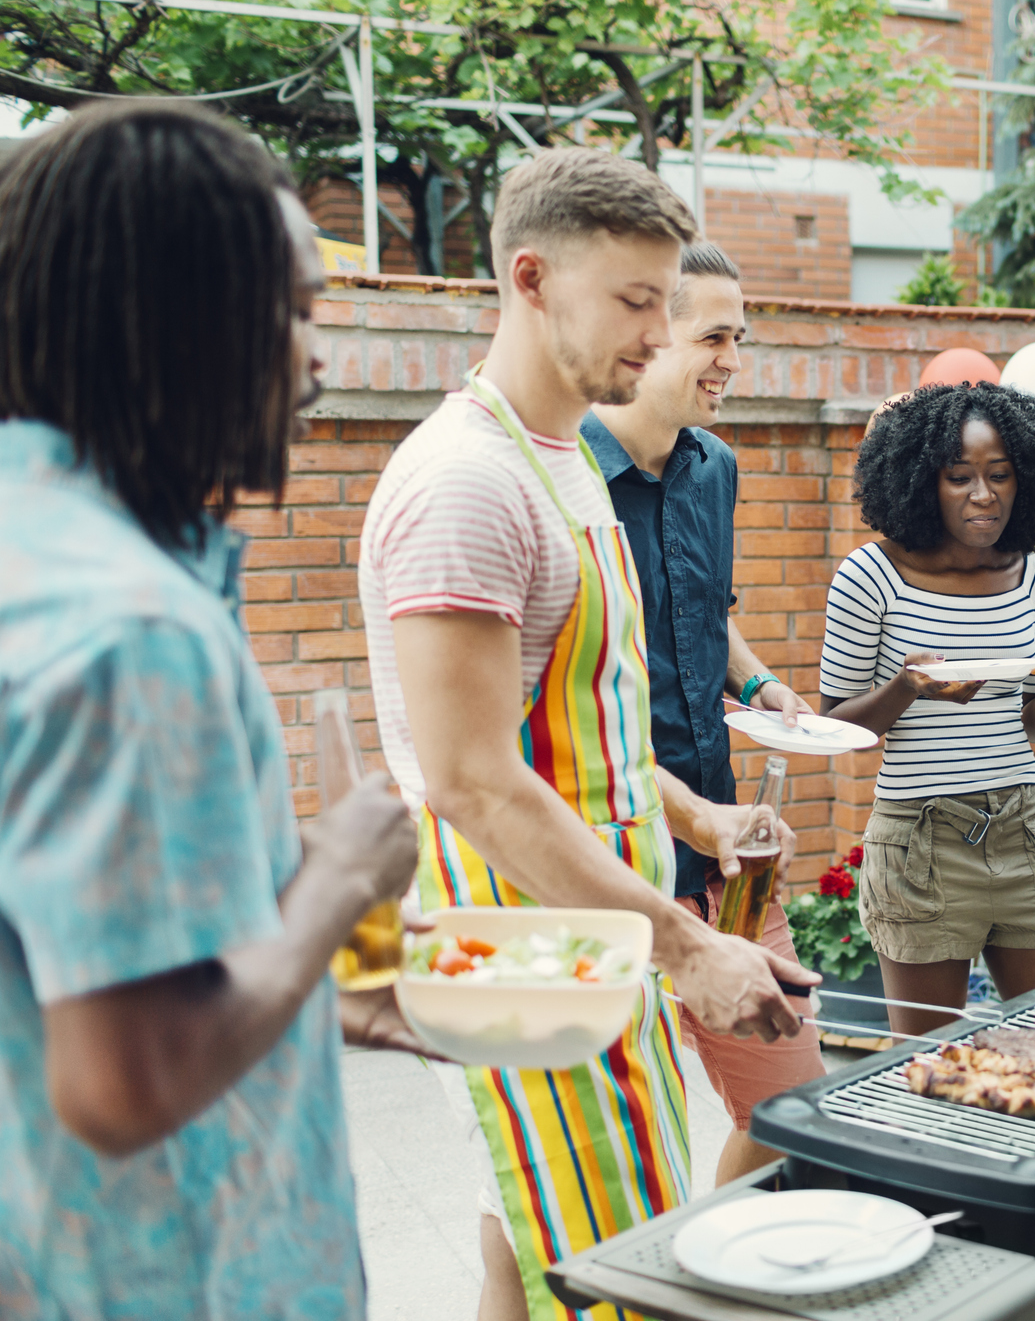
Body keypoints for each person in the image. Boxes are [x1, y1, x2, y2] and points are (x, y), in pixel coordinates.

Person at [358, 147, 818, 1321]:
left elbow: (594, 736)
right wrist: (682, 946)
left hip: (593, 926)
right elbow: (471, 779)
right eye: (635, 301)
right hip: (528, 942)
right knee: (625, 1276)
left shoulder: (558, 459)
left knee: (536, 1228)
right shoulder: (467, 480)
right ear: (530, 279)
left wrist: (692, 833)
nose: (662, 335)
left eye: (669, 302)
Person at [0, 101, 423, 1316]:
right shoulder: (131, 627)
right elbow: (128, 1078)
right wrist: (337, 878)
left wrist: (313, 995)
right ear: (178, 317)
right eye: (295, 311)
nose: (319, 357)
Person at [581, 238, 826, 1186]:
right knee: (614, 1160)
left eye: (742, 335)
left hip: (732, 863)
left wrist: (760, 685)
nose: (733, 359)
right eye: (713, 336)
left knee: (796, 1110)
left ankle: (703, 1269)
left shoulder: (715, 466)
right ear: (648, 336)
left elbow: (707, 612)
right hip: (614, 864)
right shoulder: (566, 484)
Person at [818, 380, 1035, 1038]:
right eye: (959, 476)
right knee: (931, 1065)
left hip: (1024, 826)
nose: (983, 494)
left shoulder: (1034, 574)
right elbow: (834, 729)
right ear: (921, 481)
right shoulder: (869, 577)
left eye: (999, 475)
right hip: (921, 840)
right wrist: (905, 688)